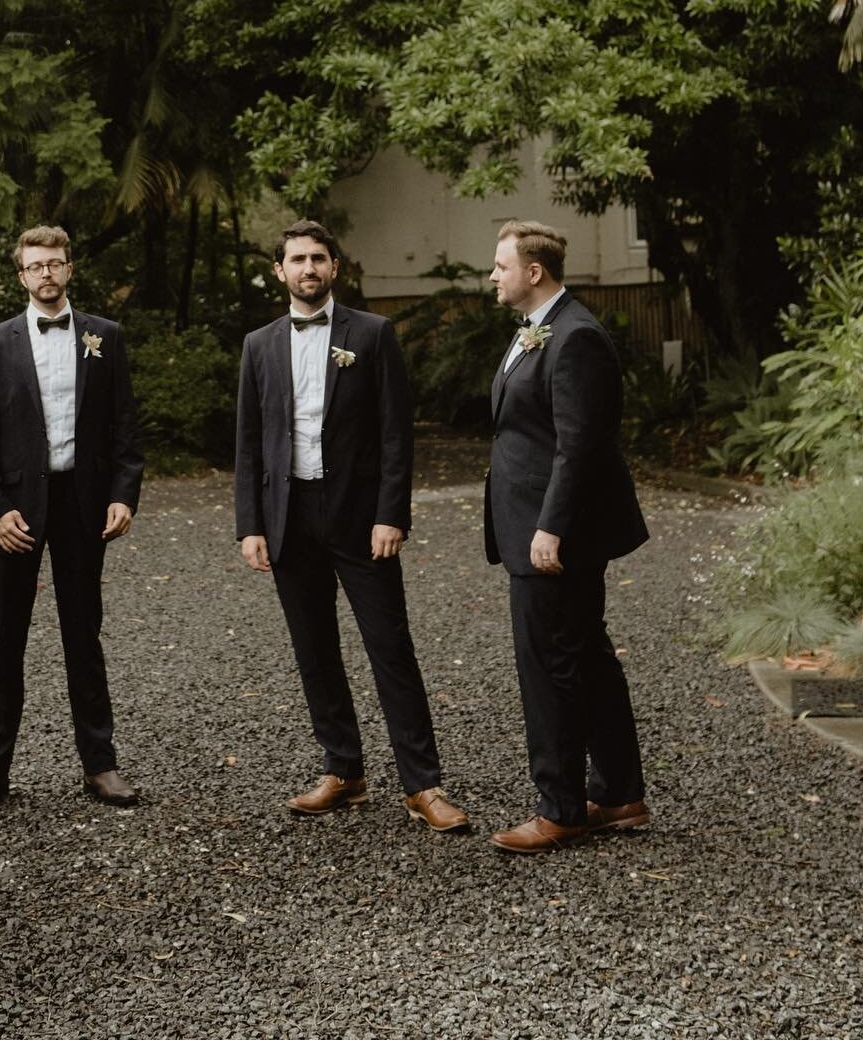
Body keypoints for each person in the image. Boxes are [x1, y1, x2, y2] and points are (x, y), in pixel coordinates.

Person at [235, 220, 469, 833]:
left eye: (318, 258)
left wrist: (392, 512)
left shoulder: (372, 333)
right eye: (296, 260)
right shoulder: (258, 345)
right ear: (279, 271)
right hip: (289, 518)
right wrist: (249, 524)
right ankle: (344, 770)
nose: (308, 268)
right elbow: (250, 445)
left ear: (334, 267)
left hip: (362, 521)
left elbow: (396, 433)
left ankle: (423, 784)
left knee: (390, 649)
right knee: (314, 650)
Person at [0, 225, 144, 814]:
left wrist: (123, 494)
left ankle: (100, 764)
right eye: (36, 266)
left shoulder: (104, 337)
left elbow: (125, 429)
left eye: (56, 264)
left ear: (69, 269)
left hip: (82, 504)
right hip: (16, 509)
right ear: (21, 275)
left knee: (82, 635)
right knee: (5, 639)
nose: (47, 274)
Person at [484, 220, 650, 855]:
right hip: (536, 524)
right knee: (586, 660)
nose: (492, 276)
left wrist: (549, 526)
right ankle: (619, 795)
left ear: (534, 273)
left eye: (501, 266)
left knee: (550, 668)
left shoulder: (575, 336)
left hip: (550, 534)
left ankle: (560, 809)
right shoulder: (539, 330)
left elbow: (581, 445)